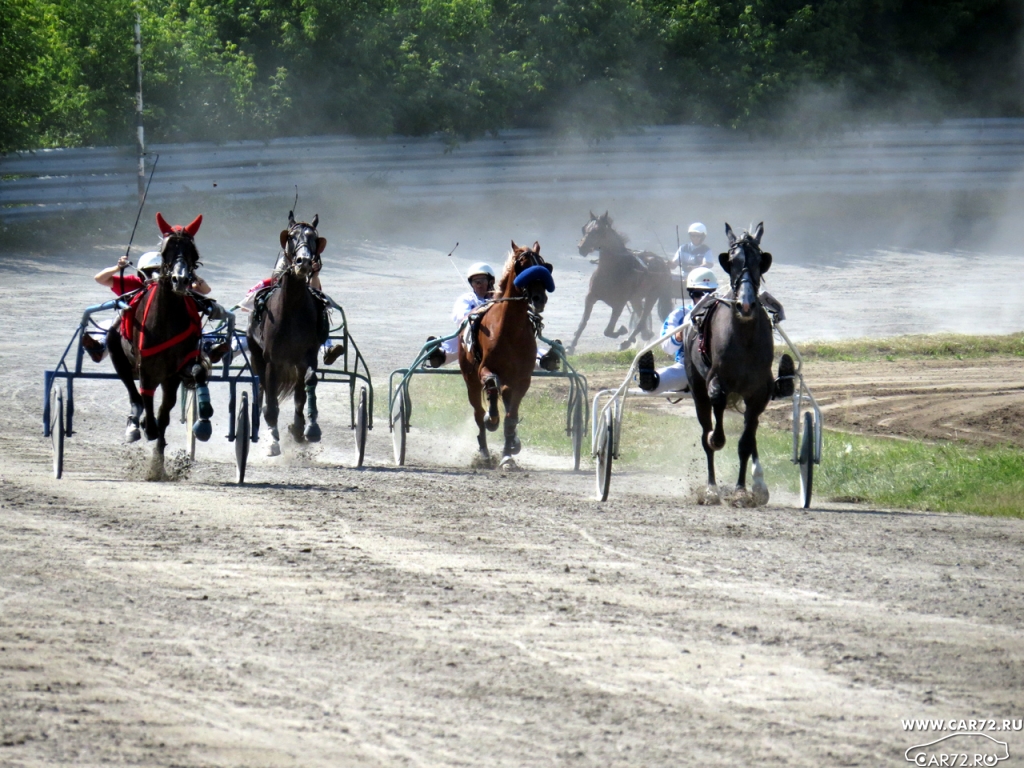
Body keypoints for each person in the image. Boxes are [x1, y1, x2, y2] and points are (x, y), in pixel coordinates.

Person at [425, 262, 560, 371]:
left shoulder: (503, 299)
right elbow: (461, 317)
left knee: (524, 345)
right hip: (473, 338)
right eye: (475, 281)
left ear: (491, 281)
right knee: (461, 338)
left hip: (502, 340)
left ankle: (545, 361)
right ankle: (439, 355)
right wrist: (483, 311)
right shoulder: (467, 299)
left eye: (482, 280)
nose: (478, 284)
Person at [82, 251, 212, 362]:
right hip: (134, 323)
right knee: (109, 325)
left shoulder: (173, 286)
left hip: (170, 324)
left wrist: (193, 275)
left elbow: (205, 290)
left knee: (195, 327)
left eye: (160, 272)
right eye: (150, 272)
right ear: (141, 273)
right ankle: (98, 346)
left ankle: (209, 347)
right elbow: (100, 278)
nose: (155, 276)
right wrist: (117, 267)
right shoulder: (133, 282)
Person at [636, 267, 718, 394]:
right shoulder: (679, 315)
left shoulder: (724, 315)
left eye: (709, 294)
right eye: (698, 294)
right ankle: (650, 380)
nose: (704, 299)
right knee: (659, 382)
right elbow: (667, 348)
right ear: (691, 294)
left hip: (719, 368)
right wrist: (679, 336)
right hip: (688, 366)